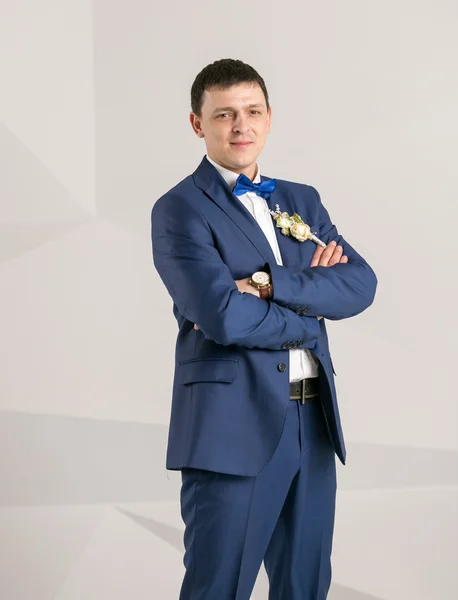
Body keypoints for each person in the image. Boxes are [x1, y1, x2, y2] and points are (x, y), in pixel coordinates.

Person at [151, 58, 377, 600]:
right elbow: (225, 316)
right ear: (196, 124)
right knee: (218, 588)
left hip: (312, 419)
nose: (240, 126)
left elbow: (361, 285)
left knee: (306, 587)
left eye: (252, 112)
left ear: (270, 118)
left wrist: (271, 285)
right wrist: (309, 300)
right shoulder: (180, 209)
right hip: (233, 427)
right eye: (223, 114)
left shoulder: (300, 200)